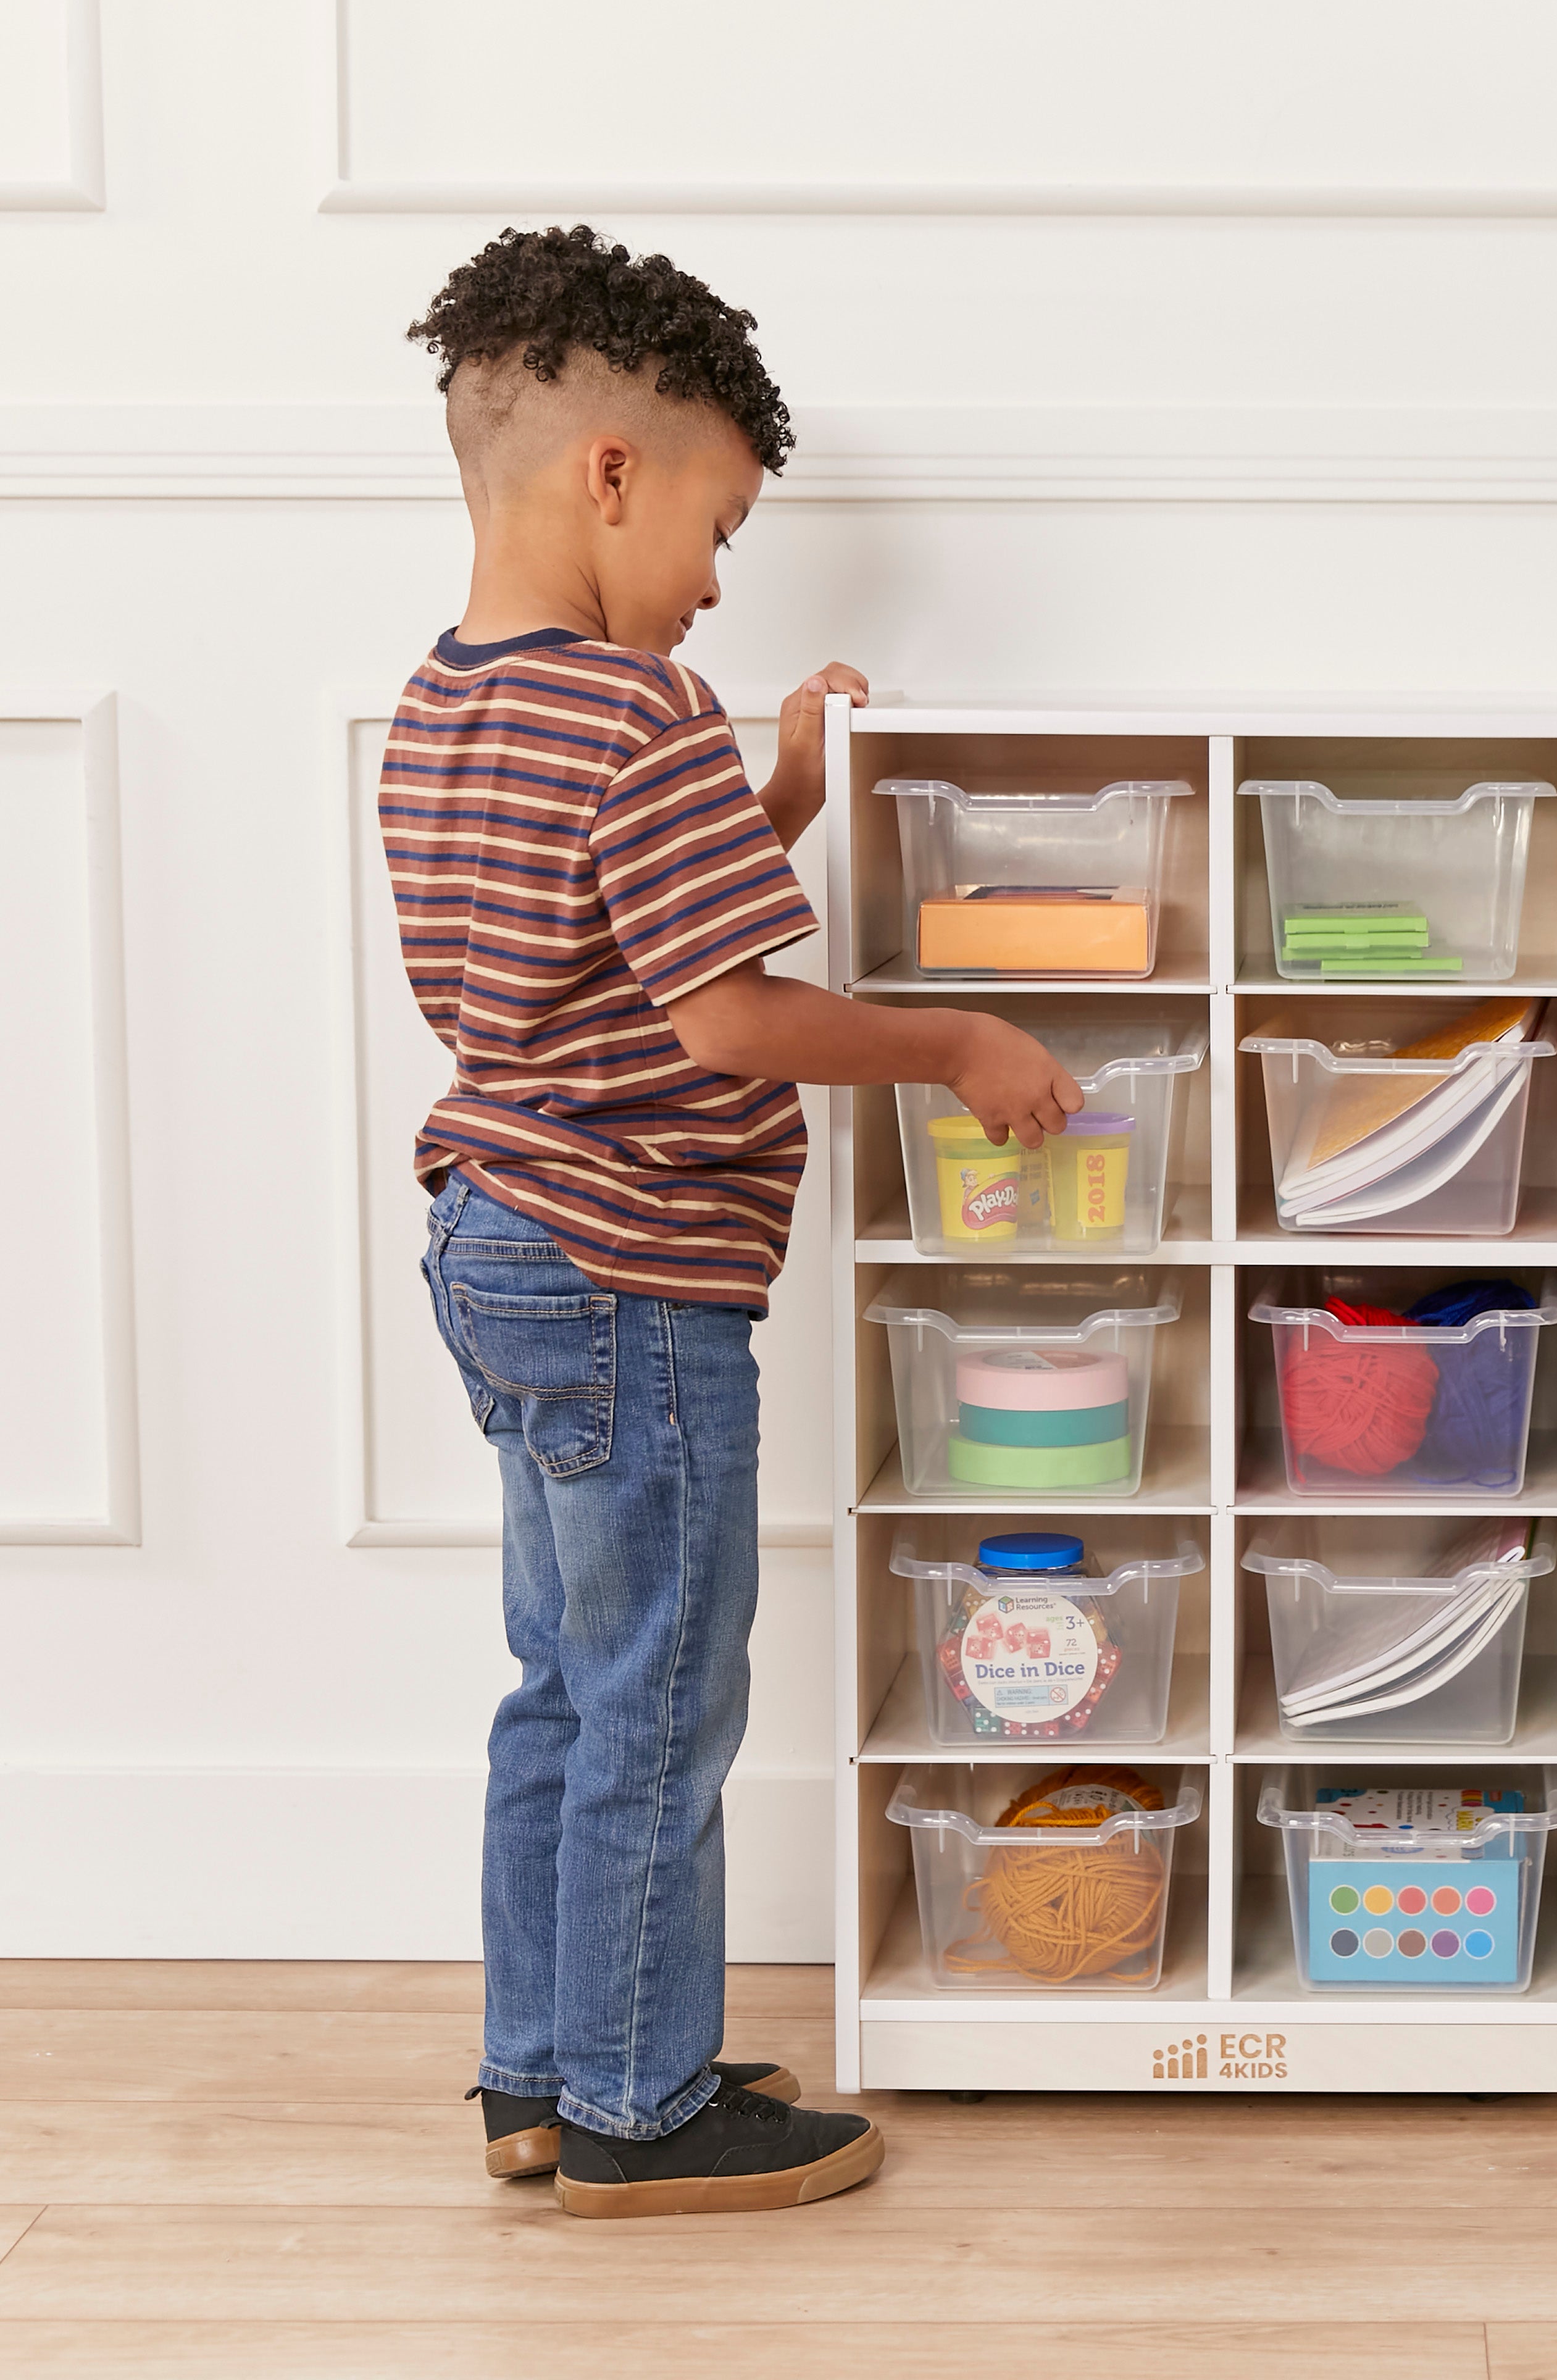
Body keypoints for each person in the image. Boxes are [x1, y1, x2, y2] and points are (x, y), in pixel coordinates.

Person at [383, 225, 1081, 2218]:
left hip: (498, 1240)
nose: (711, 580)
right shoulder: (635, 711)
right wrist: (952, 1039)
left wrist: (774, 787)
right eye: (719, 524)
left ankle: (543, 2068)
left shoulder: (450, 708)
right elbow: (718, 1010)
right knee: (665, 1691)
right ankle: (640, 2104)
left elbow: (591, 953)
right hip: (630, 1275)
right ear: (615, 470)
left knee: (562, 1679)